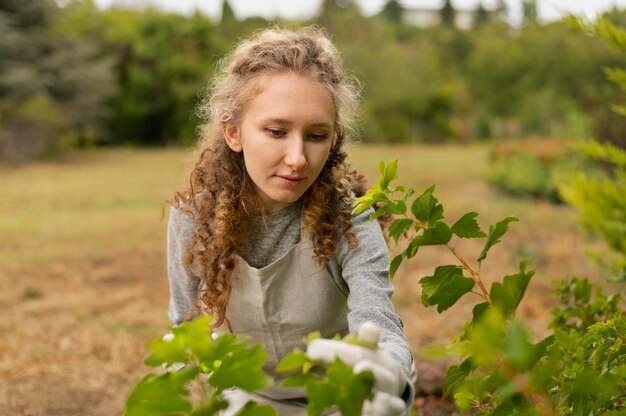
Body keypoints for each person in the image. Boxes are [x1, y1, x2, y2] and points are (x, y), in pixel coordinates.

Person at [166, 26, 415, 415]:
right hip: (241, 401)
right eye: (277, 131)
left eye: (316, 136)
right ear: (234, 132)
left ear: (333, 140)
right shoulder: (192, 221)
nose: (298, 158)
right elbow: (186, 331)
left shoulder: (351, 219)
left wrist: (389, 377)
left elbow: (378, 322)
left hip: (340, 399)